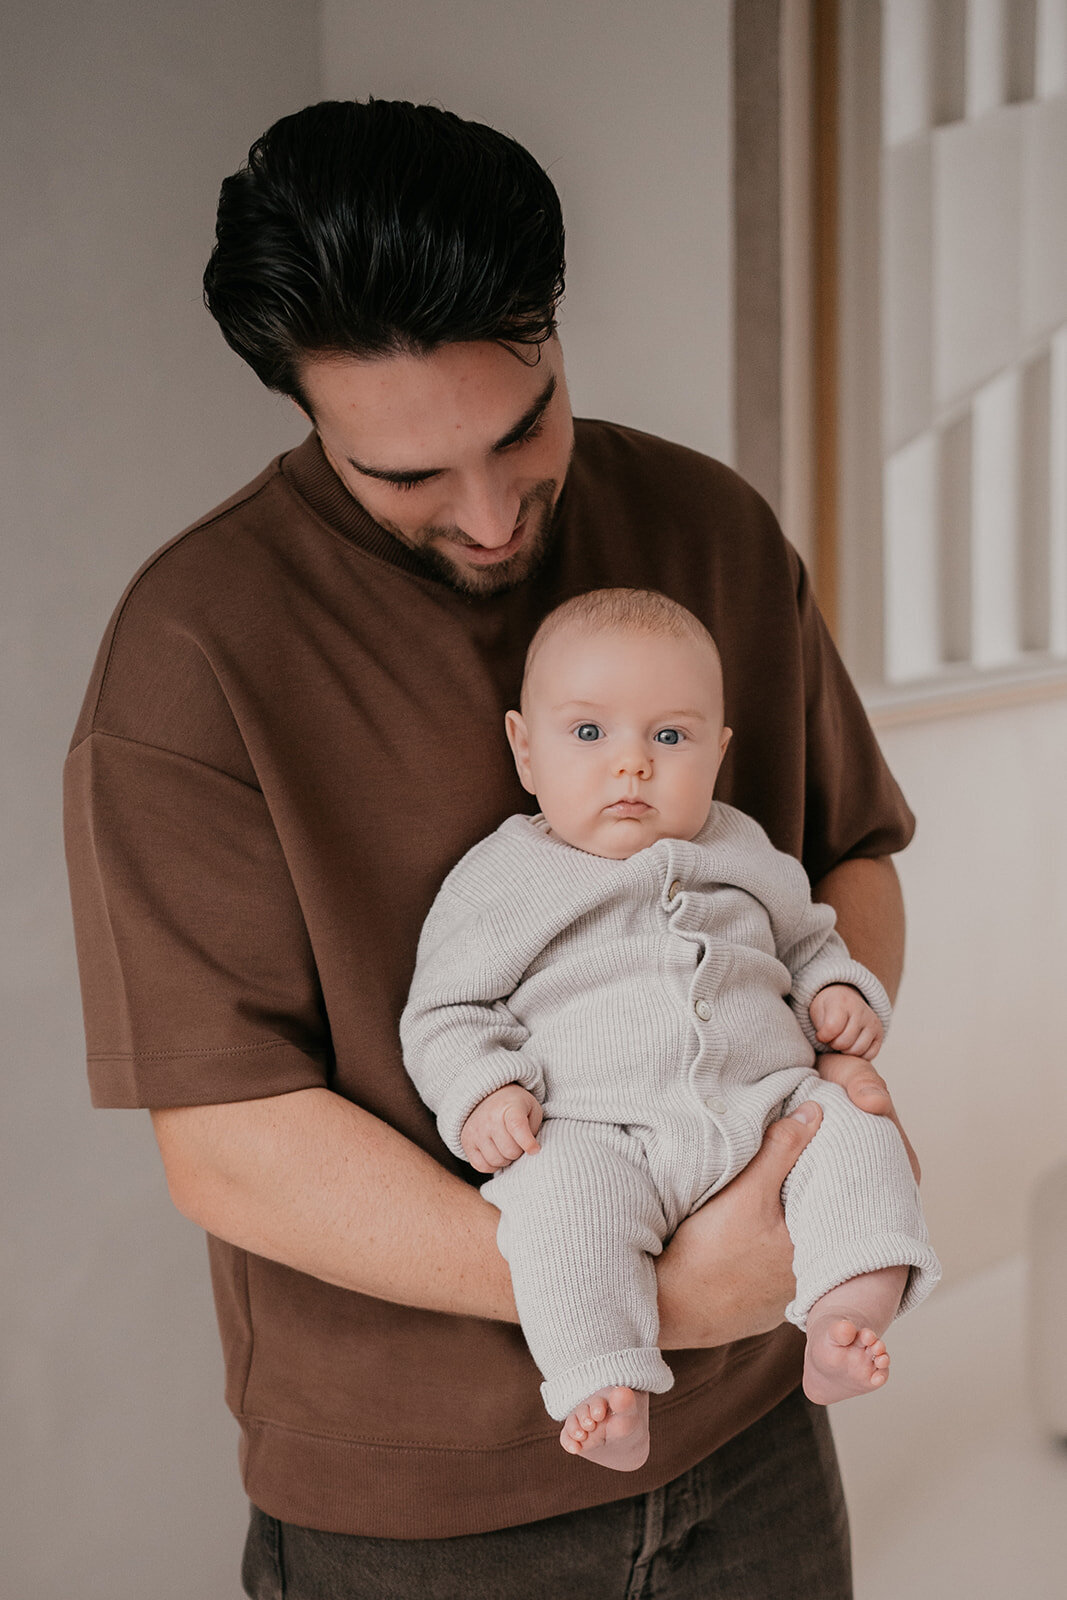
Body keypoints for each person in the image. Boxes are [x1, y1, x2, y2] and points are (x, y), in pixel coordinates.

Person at [63, 99, 919, 1597]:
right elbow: (226, 1138)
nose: (485, 512)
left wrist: (839, 1068)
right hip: (421, 1502)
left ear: (549, 332)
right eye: (405, 476)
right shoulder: (194, 651)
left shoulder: (705, 529)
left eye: (521, 428)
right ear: (301, 407)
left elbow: (840, 864)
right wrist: (653, 1290)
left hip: (754, 1435)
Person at [401, 588, 939, 1473]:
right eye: (588, 735)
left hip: (769, 1106)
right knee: (554, 1212)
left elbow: (808, 942)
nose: (631, 768)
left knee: (860, 1145)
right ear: (523, 749)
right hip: (598, 1131)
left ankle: (850, 1314)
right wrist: (482, 1091)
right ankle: (604, 1385)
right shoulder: (503, 878)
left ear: (717, 753)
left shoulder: (745, 851)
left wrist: (838, 993)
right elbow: (445, 1013)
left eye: (669, 737)